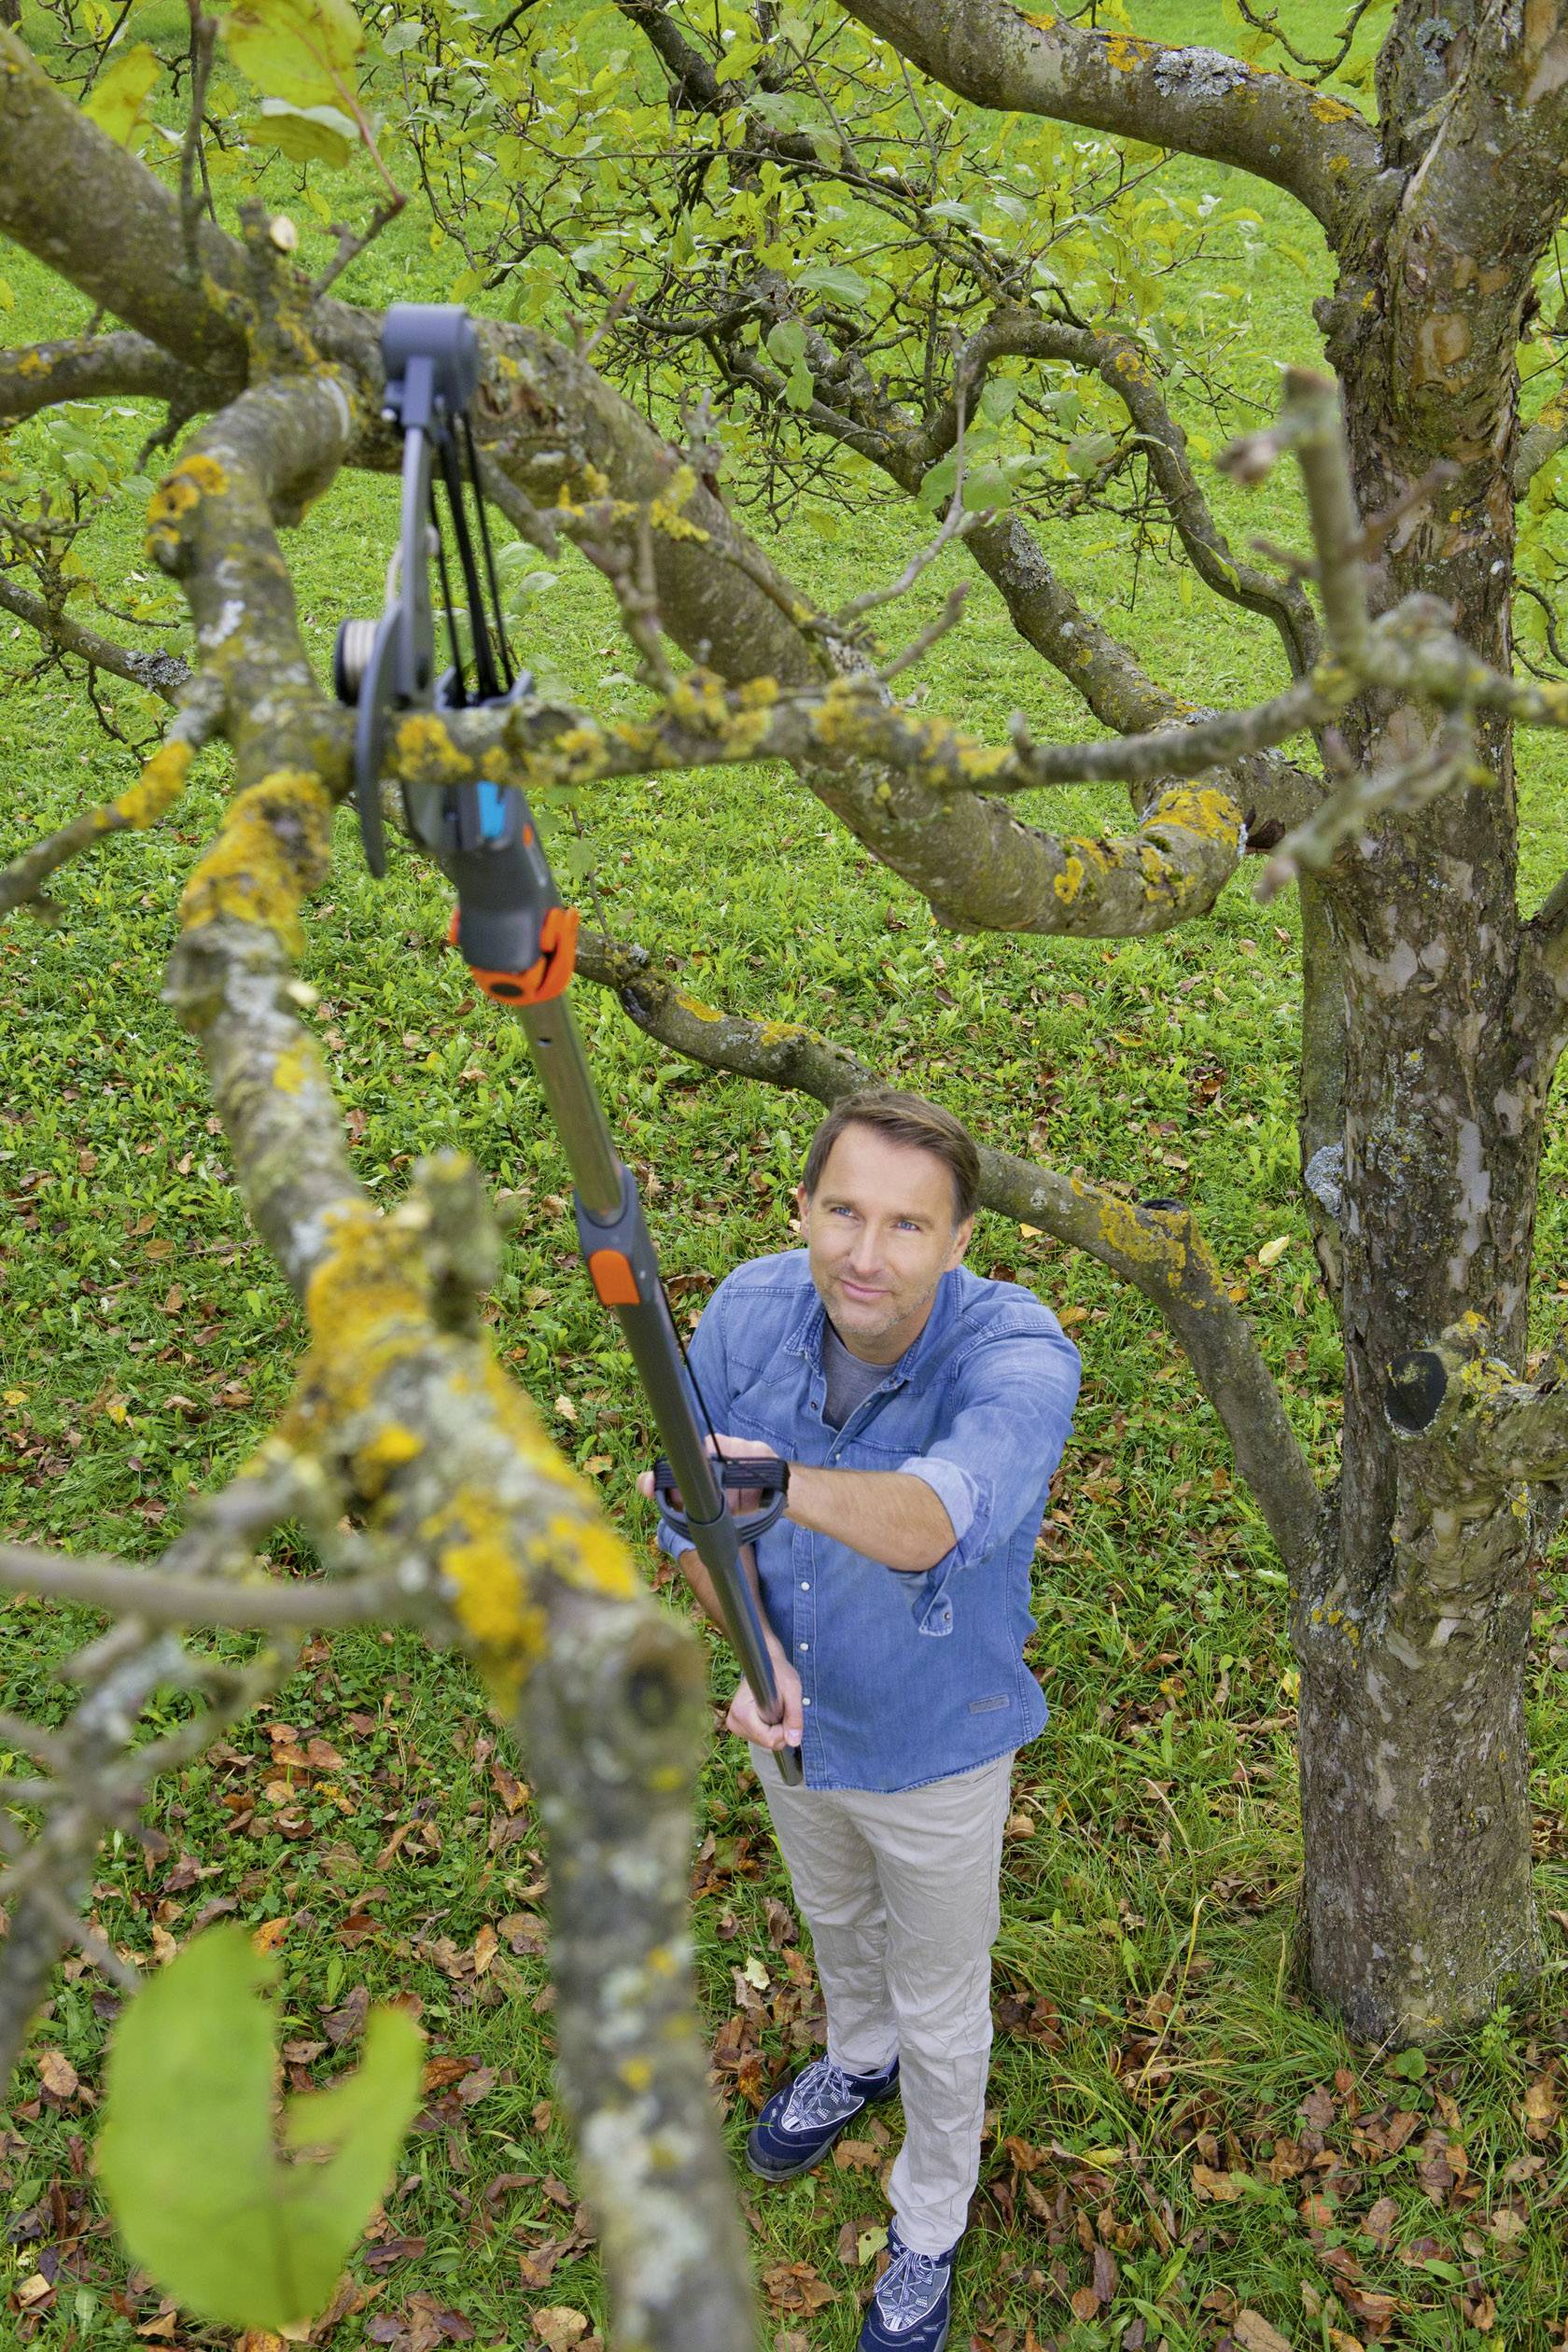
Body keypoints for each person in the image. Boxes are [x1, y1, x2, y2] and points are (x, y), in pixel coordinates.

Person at [642, 1087, 1080, 2352]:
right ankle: (856, 2050)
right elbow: (687, 1523)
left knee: (946, 1999)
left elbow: (935, 1518)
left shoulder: (1018, 1355)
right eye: (844, 1211)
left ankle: (929, 2219)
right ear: (803, 1208)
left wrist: (772, 1485)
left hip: (938, 1748)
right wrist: (757, 1651)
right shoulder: (747, 1310)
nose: (865, 1255)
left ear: (958, 1241)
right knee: (833, 1916)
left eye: (906, 1224)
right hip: (793, 1726)